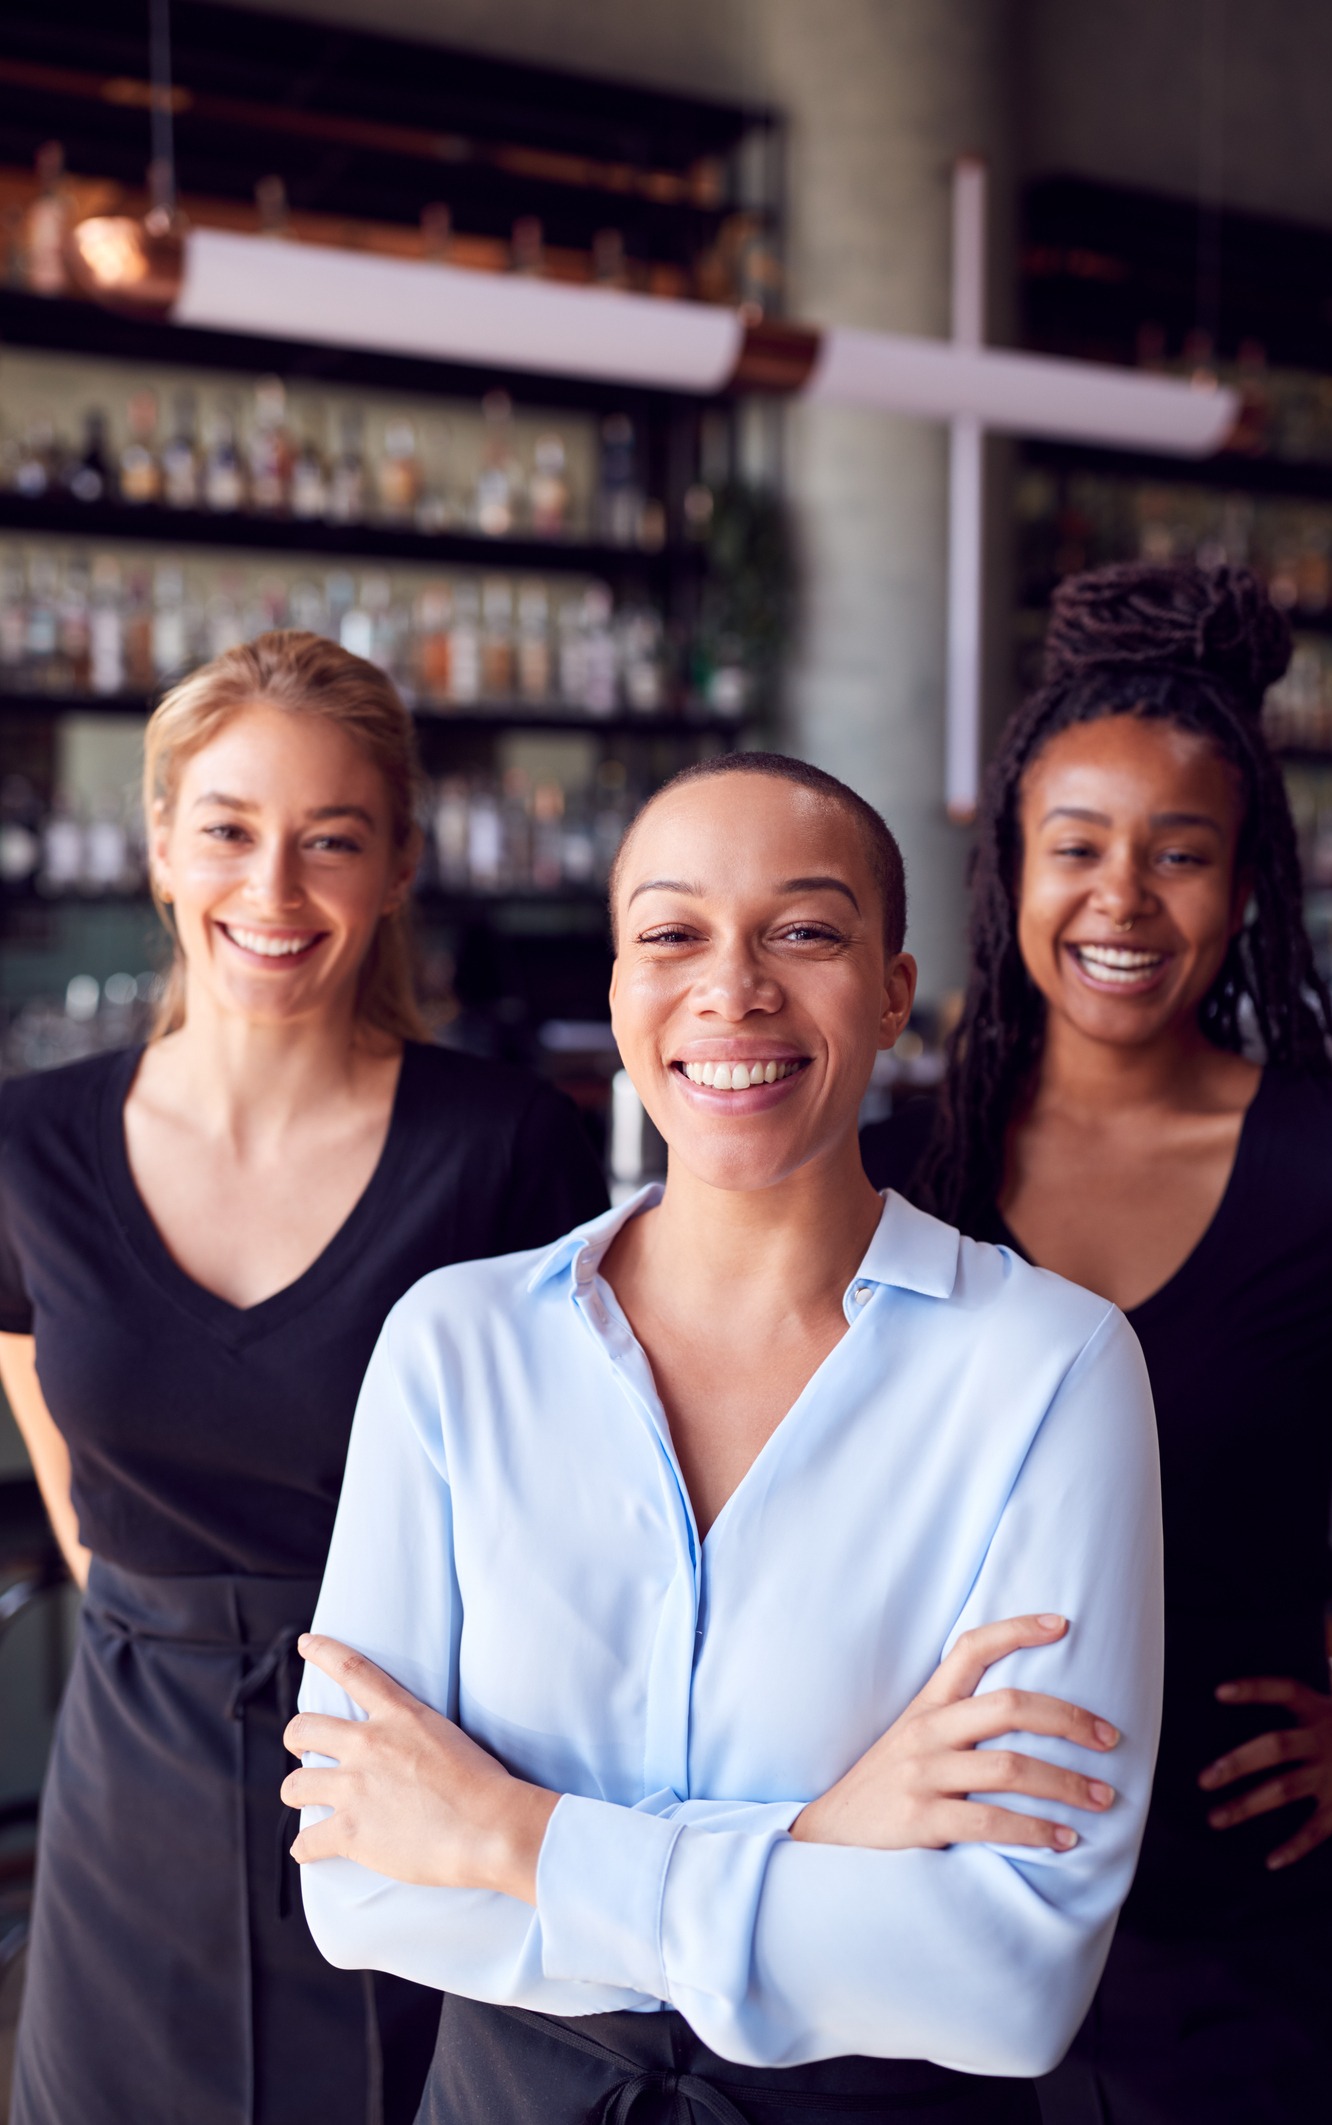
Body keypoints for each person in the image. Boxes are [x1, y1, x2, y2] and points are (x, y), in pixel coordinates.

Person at [281, 752, 1164, 2124]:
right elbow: (359, 1883)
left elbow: (1009, 1977)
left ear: (891, 989)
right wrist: (821, 1843)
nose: (734, 987)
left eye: (804, 931)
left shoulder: (1051, 1369)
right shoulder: (456, 1345)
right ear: (621, 988)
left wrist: (513, 1835)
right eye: (674, 932)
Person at [0, 631, 607, 2125]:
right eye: (227, 830)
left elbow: (569, 1516)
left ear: (398, 865)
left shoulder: (505, 1146)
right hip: (129, 1799)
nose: (271, 892)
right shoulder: (27, 1148)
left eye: (330, 841)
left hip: (412, 1778)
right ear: (159, 846)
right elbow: (83, 1498)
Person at [863, 563, 1332, 2124]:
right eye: (1078, 847)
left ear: (1245, 890)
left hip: (1251, 1948)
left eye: (1180, 854)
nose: (1123, 899)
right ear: (1010, 875)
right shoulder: (900, 1175)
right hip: (931, 1934)